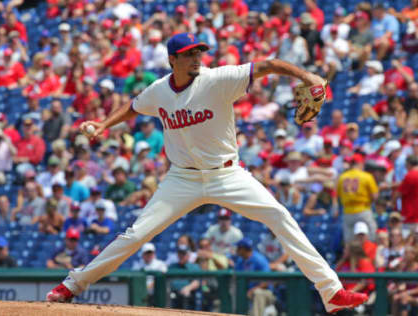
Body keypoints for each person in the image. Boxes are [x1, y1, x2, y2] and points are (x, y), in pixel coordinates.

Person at [47, 32, 367, 313]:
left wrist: (307, 76)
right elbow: (134, 105)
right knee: (136, 235)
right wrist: (102, 125)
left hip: (227, 174)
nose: (197, 58)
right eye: (189, 54)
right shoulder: (159, 90)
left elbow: (267, 64)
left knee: (279, 216)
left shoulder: (218, 79)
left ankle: (331, 292)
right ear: (173, 59)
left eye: (199, 52)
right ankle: (72, 285)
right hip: (181, 178)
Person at [337, 154, 379, 242]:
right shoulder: (366, 176)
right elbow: (375, 196)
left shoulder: (342, 177)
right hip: (363, 209)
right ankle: (370, 252)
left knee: (349, 239)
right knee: (372, 233)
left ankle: (351, 254)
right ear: (360, 163)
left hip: (347, 211)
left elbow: (339, 196)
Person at [235, 238, 276, 316]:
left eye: (238, 248)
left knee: (257, 293)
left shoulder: (259, 259)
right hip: (246, 292)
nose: (237, 250)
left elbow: (267, 281)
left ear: (244, 249)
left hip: (265, 292)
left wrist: (253, 289)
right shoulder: (240, 261)